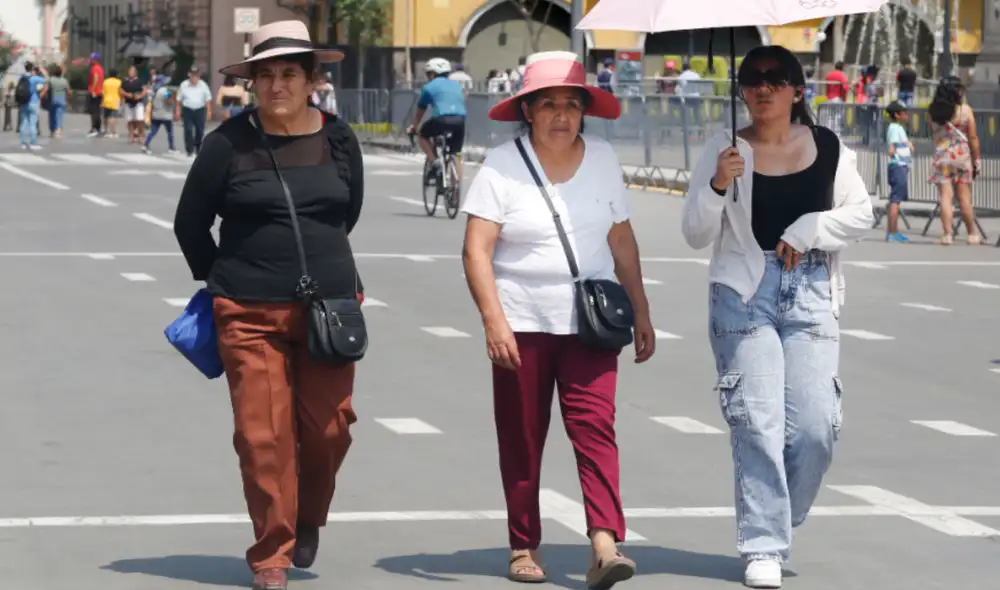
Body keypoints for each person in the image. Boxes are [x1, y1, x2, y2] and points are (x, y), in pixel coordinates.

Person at [173, 20, 361, 590]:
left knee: (330, 429)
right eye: (267, 75)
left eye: (289, 74)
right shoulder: (226, 143)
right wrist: (223, 281)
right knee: (263, 435)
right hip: (247, 312)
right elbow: (190, 223)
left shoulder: (339, 139)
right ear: (253, 83)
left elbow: (346, 212)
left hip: (329, 309)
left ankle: (307, 516)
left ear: (312, 81)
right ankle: (272, 553)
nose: (277, 85)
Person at [681, 44, 874, 589]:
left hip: (812, 290)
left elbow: (861, 213)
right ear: (741, 90)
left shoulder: (830, 148)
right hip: (743, 293)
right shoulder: (725, 150)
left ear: (796, 89)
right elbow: (695, 234)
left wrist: (811, 226)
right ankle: (763, 542)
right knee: (757, 421)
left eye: (776, 78)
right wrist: (719, 184)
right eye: (752, 79)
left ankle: (776, 513)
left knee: (816, 428)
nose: (763, 88)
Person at [461, 50, 654, 590]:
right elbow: (477, 250)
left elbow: (621, 238)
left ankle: (604, 543)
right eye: (549, 104)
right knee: (522, 436)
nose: (562, 115)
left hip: (590, 324)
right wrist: (493, 320)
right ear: (529, 111)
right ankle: (523, 544)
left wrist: (641, 308)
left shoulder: (603, 159)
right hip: (521, 323)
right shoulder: (501, 165)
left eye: (572, 103)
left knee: (596, 430)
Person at [927, 75, 983, 245]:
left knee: (945, 197)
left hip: (942, 156)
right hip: (961, 156)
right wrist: (977, 160)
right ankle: (972, 234)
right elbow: (972, 137)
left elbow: (933, 133)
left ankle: (947, 234)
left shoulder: (932, 111)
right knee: (964, 197)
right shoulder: (965, 111)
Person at [407, 58, 467, 182]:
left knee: (423, 134)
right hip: (460, 120)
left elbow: (420, 112)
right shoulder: (456, 86)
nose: (427, 77)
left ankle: (434, 161)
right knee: (456, 154)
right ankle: (455, 194)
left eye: (428, 74)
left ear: (433, 74)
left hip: (441, 119)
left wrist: (414, 127)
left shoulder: (428, 87)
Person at [884, 101, 913, 242]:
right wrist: (897, 153)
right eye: (904, 112)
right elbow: (892, 147)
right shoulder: (895, 128)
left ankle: (892, 231)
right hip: (898, 165)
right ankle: (893, 231)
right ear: (897, 114)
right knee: (896, 200)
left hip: (900, 165)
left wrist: (908, 145)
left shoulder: (897, 128)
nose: (907, 115)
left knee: (895, 200)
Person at [175, 65, 213, 156]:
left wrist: (209, 111)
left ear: (199, 75)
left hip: (200, 109)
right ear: (189, 75)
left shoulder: (203, 85)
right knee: (188, 129)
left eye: (196, 75)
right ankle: (189, 149)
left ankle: (198, 147)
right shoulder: (184, 85)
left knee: (200, 130)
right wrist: (177, 111)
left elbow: (208, 99)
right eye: (192, 75)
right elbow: (178, 99)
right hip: (187, 109)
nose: (194, 77)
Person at [143, 75, 178, 155]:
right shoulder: (164, 91)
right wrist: (173, 101)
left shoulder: (154, 90)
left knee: (153, 131)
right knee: (170, 132)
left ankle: (145, 145)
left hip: (156, 113)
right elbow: (168, 100)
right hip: (165, 114)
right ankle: (171, 148)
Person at [17, 62, 47, 150]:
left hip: (23, 102)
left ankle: (23, 143)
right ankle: (33, 142)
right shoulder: (35, 78)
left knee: (23, 123)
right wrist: (42, 70)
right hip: (33, 102)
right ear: (32, 69)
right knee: (33, 123)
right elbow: (46, 79)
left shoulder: (21, 78)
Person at [121, 66, 147, 144]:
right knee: (130, 120)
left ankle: (140, 135)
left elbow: (145, 90)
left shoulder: (140, 81)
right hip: (128, 103)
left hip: (138, 103)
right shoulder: (125, 82)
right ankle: (131, 136)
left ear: (135, 72)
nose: (131, 73)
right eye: (129, 71)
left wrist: (139, 96)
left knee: (140, 120)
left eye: (132, 71)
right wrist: (127, 94)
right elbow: (121, 90)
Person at [45, 65, 70, 139]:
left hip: (53, 100)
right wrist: (68, 99)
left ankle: (52, 132)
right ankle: (59, 131)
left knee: (52, 116)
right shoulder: (64, 81)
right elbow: (68, 91)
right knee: (59, 116)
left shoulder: (51, 80)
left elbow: (46, 88)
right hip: (61, 101)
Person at [101, 68, 122, 139]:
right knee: (113, 117)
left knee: (105, 116)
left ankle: (106, 131)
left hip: (106, 100)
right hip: (115, 101)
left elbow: (103, 92)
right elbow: (120, 92)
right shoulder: (119, 82)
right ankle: (113, 132)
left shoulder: (105, 82)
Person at [87, 52, 105, 137]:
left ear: (96, 60)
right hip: (100, 92)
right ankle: (98, 128)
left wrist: (93, 89)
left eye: (91, 59)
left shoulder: (94, 68)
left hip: (94, 92)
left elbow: (96, 77)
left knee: (93, 111)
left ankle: (94, 128)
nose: (90, 60)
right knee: (97, 111)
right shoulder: (101, 68)